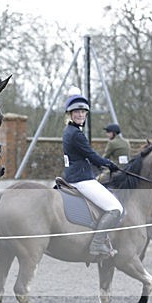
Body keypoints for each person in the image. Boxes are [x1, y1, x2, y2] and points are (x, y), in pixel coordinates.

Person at [62, 95, 123, 258]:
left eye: (83, 112)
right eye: (77, 112)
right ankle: (97, 245)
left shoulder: (69, 131)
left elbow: (84, 156)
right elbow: (91, 155)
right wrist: (109, 164)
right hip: (81, 179)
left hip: (75, 175)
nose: (80, 115)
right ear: (70, 114)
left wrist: (99, 164)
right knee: (116, 209)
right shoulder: (76, 134)